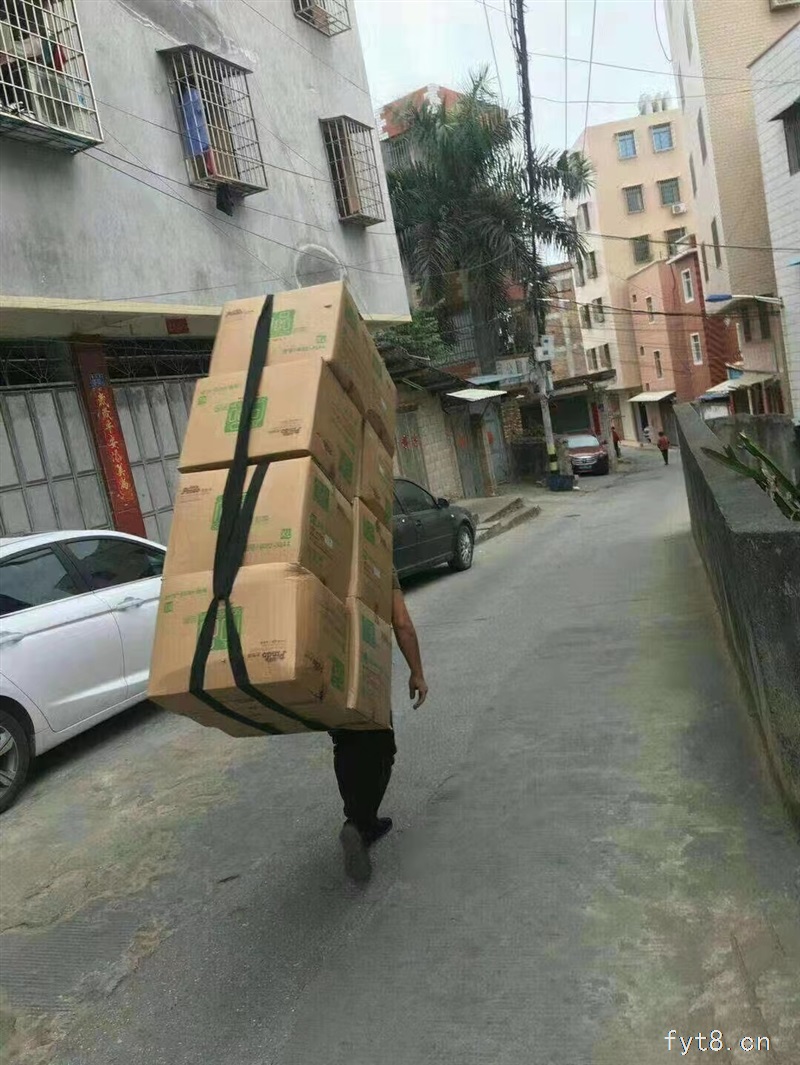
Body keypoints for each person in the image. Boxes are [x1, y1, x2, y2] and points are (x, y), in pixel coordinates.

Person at [330, 568, 428, 882]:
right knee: (383, 748)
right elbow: (401, 622)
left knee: (344, 742)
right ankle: (361, 824)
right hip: (366, 670)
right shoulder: (377, 557)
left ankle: (356, 818)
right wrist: (417, 672)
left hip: (327, 671)